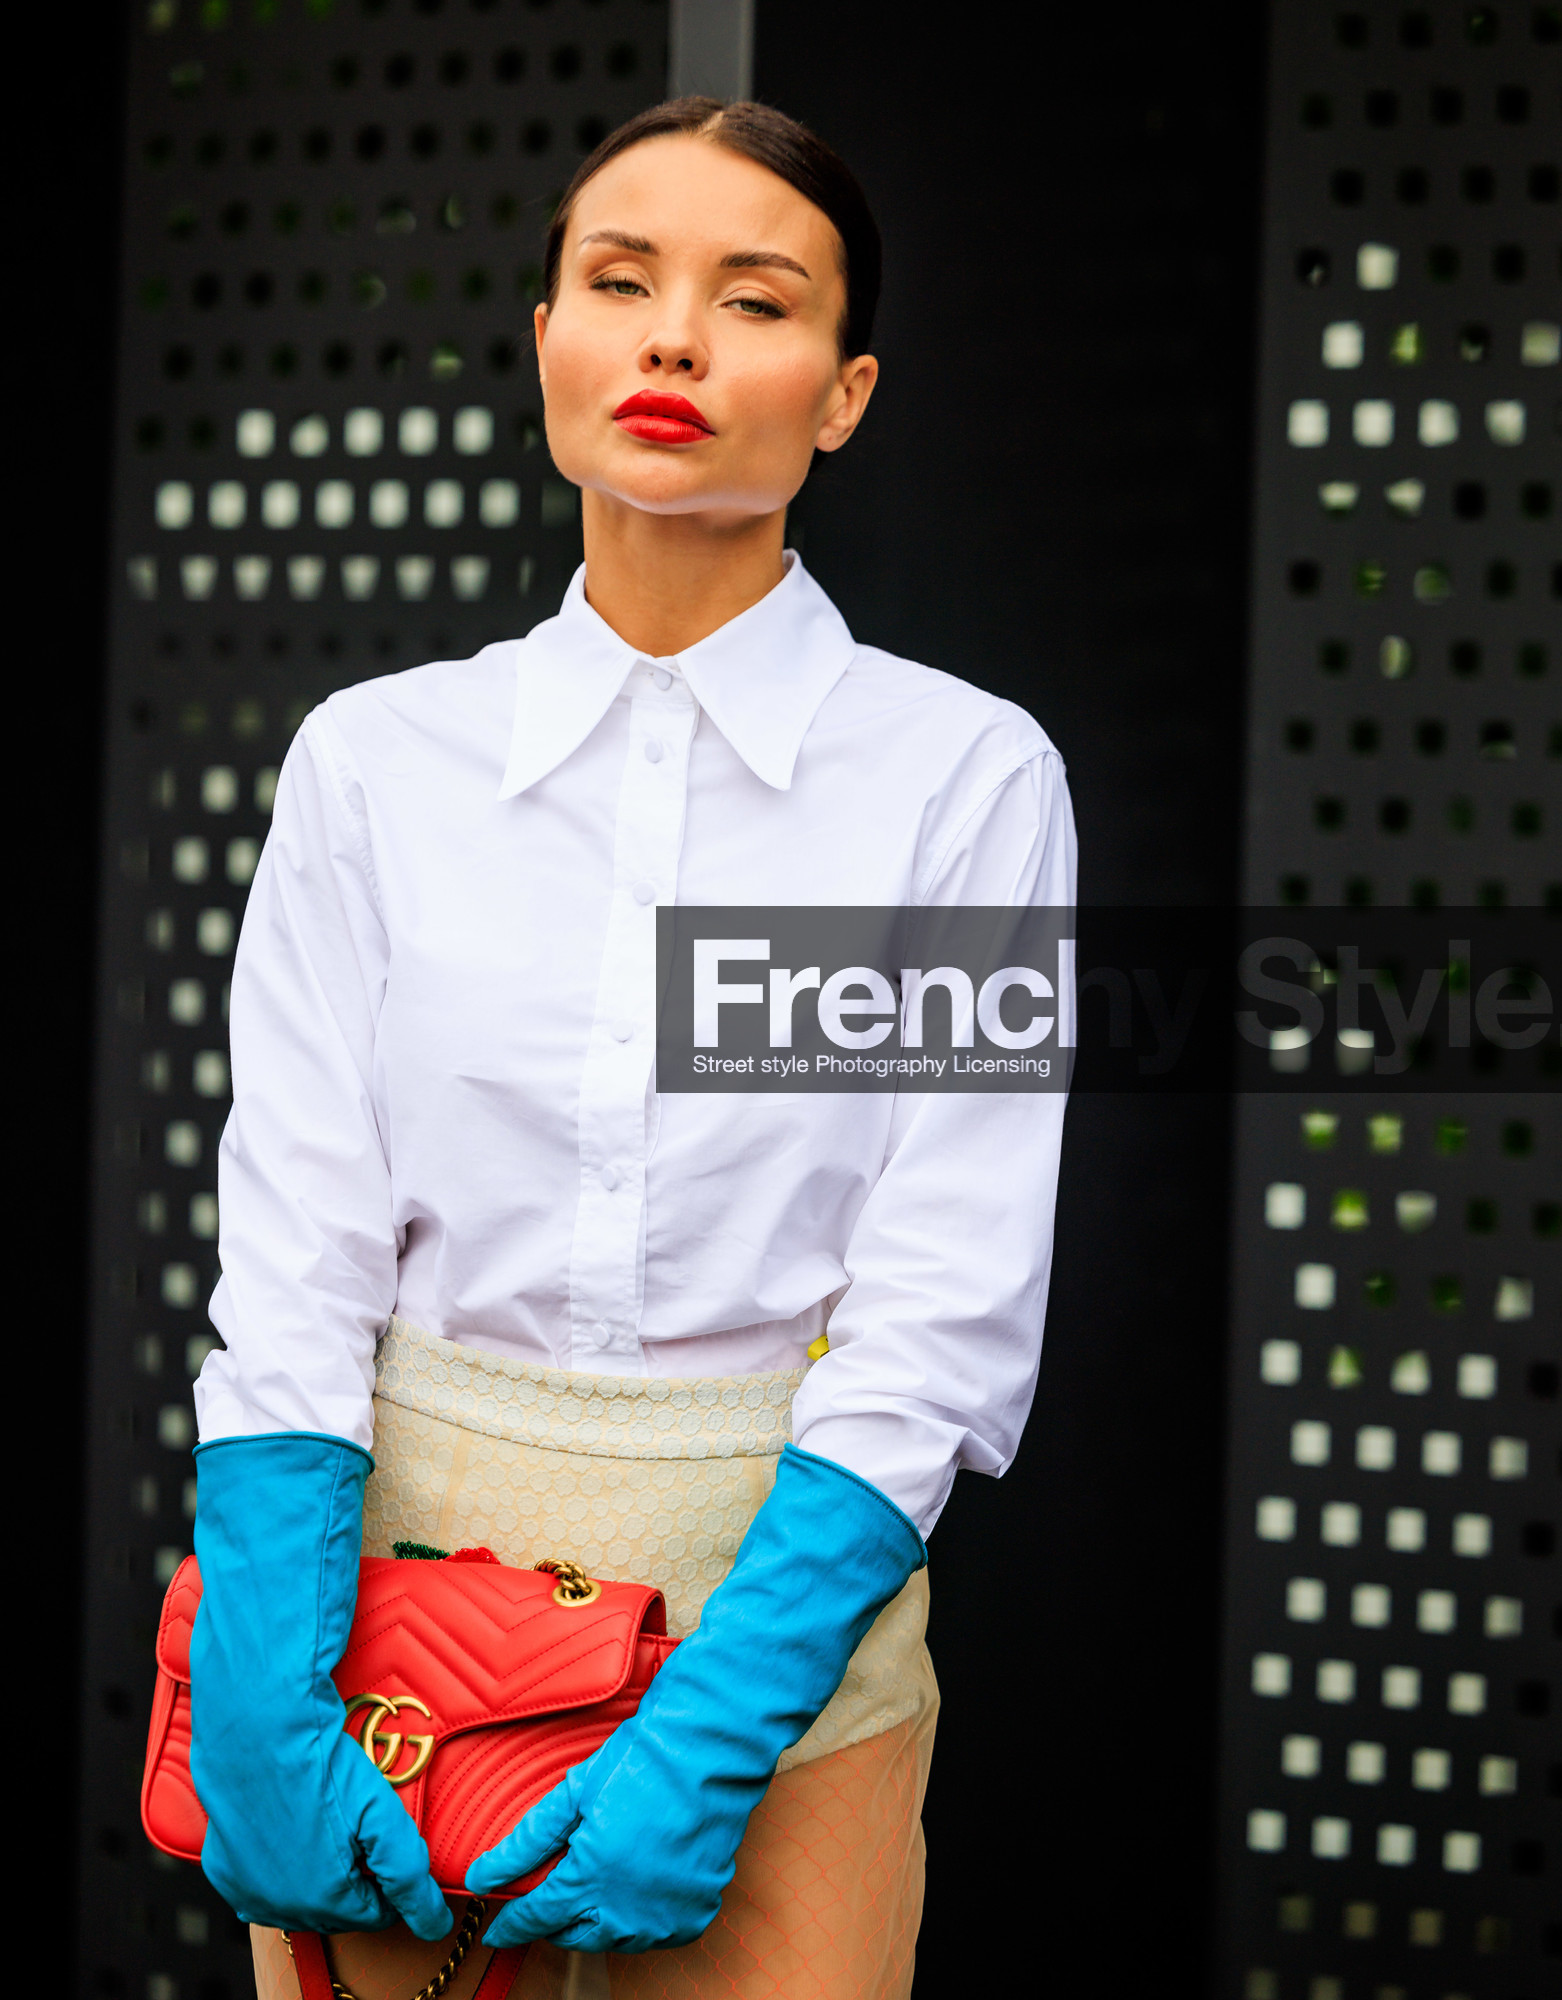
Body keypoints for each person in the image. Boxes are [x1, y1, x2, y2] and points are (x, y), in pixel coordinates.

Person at [189, 97, 1075, 2000]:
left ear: (843, 396)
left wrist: (715, 1728)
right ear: (546, 346)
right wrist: (264, 1688)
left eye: (752, 301)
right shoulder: (373, 764)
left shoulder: (964, 780)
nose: (674, 337)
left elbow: (938, 1308)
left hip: (786, 1668)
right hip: (388, 1671)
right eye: (621, 280)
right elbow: (296, 1251)